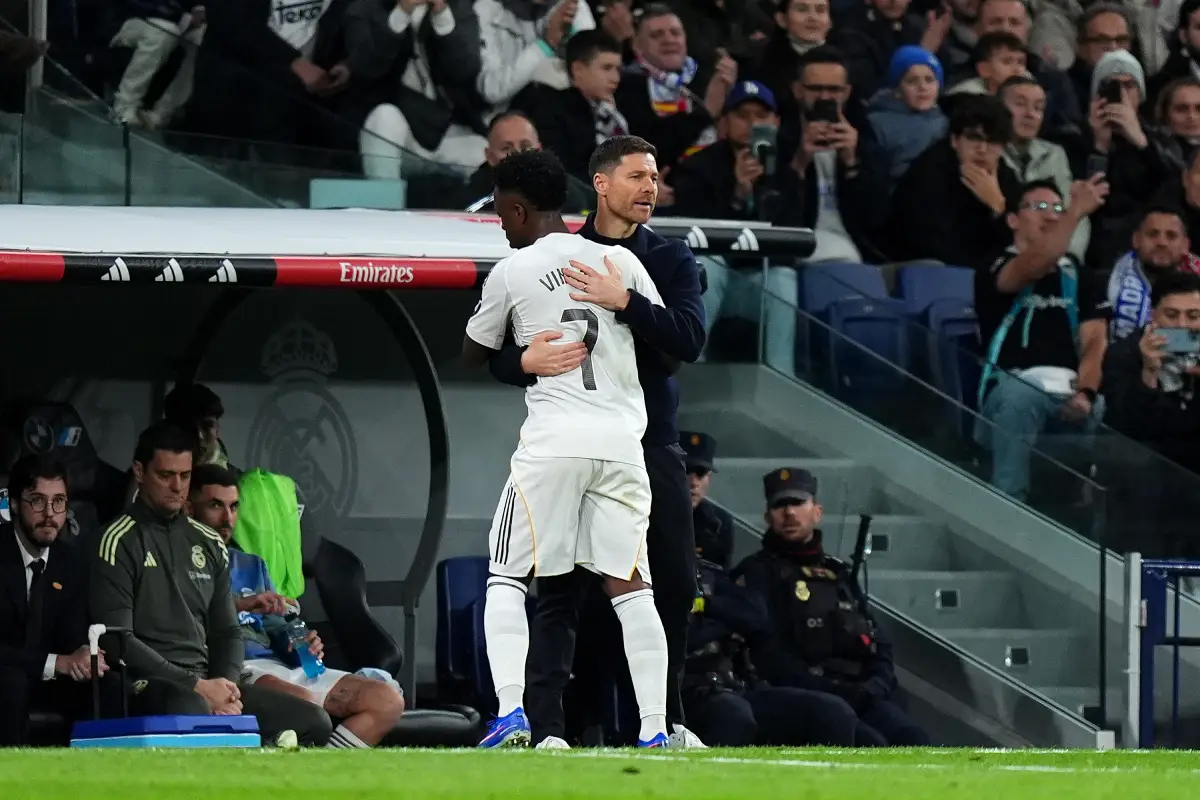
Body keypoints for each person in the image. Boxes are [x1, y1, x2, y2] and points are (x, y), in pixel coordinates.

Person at [485, 135, 705, 748]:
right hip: (579, 439)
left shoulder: (667, 258)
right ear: (602, 184)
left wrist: (626, 303)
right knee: (559, 589)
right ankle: (557, 726)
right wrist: (524, 361)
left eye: (655, 178)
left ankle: (668, 720)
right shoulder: (560, 253)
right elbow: (504, 356)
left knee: (671, 583)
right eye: (637, 176)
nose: (650, 188)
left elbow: (687, 342)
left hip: (649, 440)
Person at [89, 421, 333, 747]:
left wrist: (226, 687)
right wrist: (197, 687)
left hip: (209, 682)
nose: (177, 486)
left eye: (185, 476)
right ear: (139, 471)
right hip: (145, 682)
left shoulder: (209, 543)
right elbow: (118, 642)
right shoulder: (117, 540)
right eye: (165, 475)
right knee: (189, 707)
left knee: (313, 720)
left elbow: (227, 631)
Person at [187, 464, 406, 748]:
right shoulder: (178, 561)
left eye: (234, 507)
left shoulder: (253, 564)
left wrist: (297, 642)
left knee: (386, 700)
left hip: (280, 665)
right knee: (302, 706)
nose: (227, 518)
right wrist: (241, 604)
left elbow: (280, 624)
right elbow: (181, 620)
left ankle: (323, 775)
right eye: (215, 506)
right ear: (190, 509)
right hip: (234, 667)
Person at [734, 468, 930, 745]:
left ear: (817, 511)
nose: (789, 513)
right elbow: (770, 656)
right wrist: (835, 690)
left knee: (915, 740)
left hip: (861, 693)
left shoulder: (837, 573)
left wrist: (877, 684)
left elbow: (877, 640)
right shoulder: (758, 574)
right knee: (872, 744)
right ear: (768, 517)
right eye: (780, 505)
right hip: (812, 699)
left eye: (798, 503)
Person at [0, 455, 106, 745]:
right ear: (13, 504)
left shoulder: (70, 562)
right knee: (11, 683)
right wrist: (54, 662)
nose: (50, 514)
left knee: (107, 685)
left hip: (44, 679)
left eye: (58, 502)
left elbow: (71, 633)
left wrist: (85, 654)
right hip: (8, 677)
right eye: (37, 501)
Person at [680, 431, 733, 571]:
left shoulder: (720, 523)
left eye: (700, 473)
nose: (693, 482)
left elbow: (722, 578)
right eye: (686, 471)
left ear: (709, 479)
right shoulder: (646, 515)